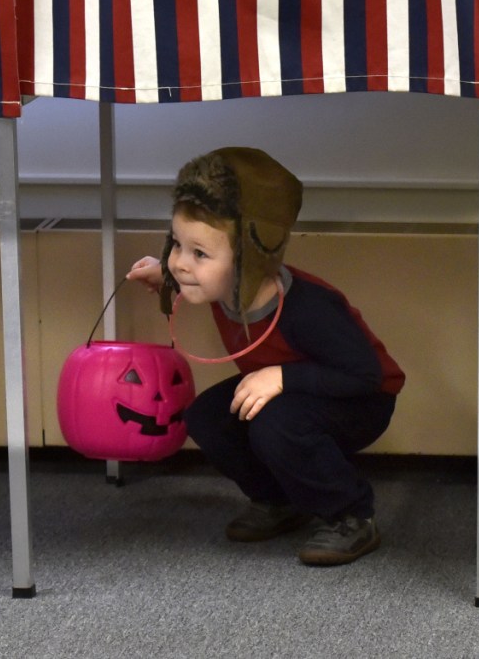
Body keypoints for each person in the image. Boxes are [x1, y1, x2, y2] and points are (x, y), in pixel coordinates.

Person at [128, 147, 404, 566]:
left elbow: (364, 375)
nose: (183, 263)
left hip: (360, 397)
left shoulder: (308, 308)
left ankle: (351, 515)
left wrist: (283, 378)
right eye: (177, 245)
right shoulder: (220, 283)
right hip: (293, 389)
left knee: (275, 425)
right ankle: (279, 500)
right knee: (207, 417)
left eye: (199, 253)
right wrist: (163, 273)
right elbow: (193, 274)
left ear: (248, 259)